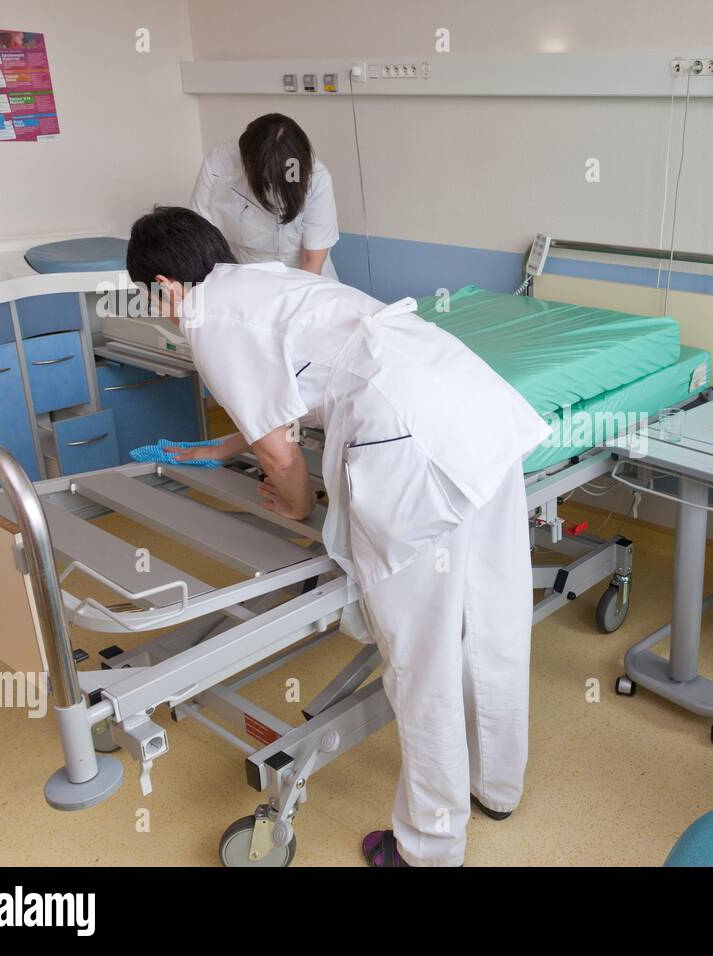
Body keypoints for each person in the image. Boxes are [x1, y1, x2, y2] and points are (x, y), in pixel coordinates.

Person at [126, 206, 551, 867]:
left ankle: (429, 849)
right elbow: (292, 391)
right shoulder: (262, 280)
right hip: (470, 405)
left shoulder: (206, 318)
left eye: (155, 301)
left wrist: (295, 509)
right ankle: (496, 785)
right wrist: (222, 447)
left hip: (409, 442)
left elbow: (285, 460)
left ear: (165, 285)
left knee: (421, 659)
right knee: (491, 614)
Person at [190, 113, 340, 277]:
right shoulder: (219, 164)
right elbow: (202, 238)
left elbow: (312, 258)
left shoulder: (316, 178)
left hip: (302, 276)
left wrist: (297, 298)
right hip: (242, 274)